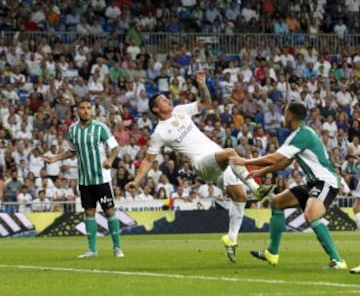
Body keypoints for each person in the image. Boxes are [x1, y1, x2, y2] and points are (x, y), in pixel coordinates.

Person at [125, 71, 272, 263]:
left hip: (217, 159)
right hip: (202, 164)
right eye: (162, 99)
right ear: (155, 109)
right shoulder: (160, 132)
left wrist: (202, 84)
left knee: (240, 196)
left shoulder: (180, 110)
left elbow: (206, 103)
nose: (167, 100)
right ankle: (258, 189)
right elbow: (147, 160)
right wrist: (136, 181)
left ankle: (231, 238)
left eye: (166, 97)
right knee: (230, 152)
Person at [230, 102, 347, 270]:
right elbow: (284, 162)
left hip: (325, 182)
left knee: (311, 215)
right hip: (313, 183)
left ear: (290, 115)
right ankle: (272, 252)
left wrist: (246, 161)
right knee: (277, 202)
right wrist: (261, 172)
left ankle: (338, 261)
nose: (283, 117)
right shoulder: (300, 134)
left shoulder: (301, 134)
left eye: (285, 113)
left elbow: (274, 158)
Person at [41, 99, 124, 258]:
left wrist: (110, 160)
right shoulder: (72, 130)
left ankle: (117, 247)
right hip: (85, 180)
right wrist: (56, 158)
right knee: (89, 212)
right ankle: (92, 250)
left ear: (91, 111)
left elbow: (115, 147)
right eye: (82, 108)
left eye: (88, 108)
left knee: (109, 211)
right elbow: (72, 151)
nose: (86, 111)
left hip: (101, 179)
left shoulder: (100, 128)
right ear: (77, 111)